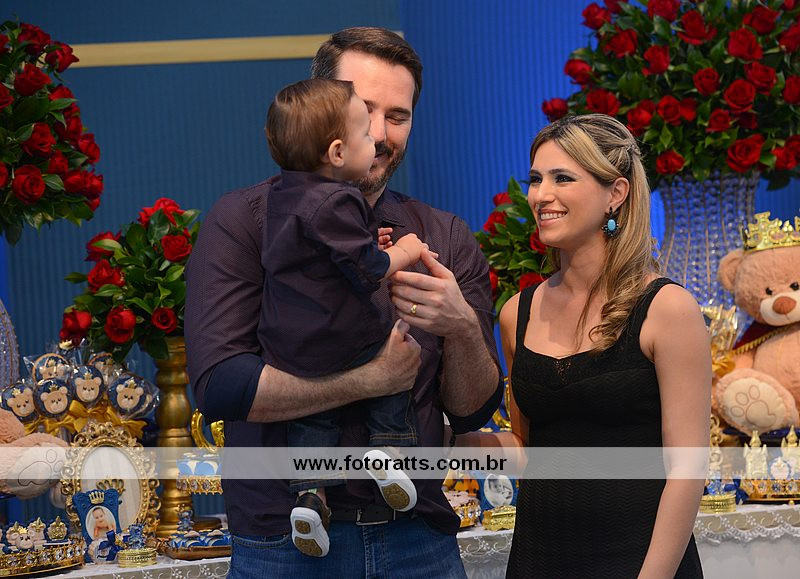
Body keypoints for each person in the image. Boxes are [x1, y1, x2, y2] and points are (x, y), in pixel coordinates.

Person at [185, 27, 503, 578]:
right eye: (364, 110)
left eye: (398, 116)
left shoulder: (444, 236)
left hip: (419, 543)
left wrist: (462, 328)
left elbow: (472, 409)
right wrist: (370, 380)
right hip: (283, 547)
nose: (378, 134)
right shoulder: (246, 221)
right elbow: (222, 386)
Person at [499, 114, 710, 578]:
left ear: (615, 193)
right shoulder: (517, 313)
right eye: (535, 179)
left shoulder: (667, 309)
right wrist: (442, 438)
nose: (541, 195)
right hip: (540, 561)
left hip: (640, 563)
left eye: (562, 178)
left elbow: (687, 471)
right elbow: (527, 447)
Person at [263, 77, 433, 557]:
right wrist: (404, 250)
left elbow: (318, 251)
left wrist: (361, 243)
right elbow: (369, 271)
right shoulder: (339, 198)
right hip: (338, 331)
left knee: (313, 418)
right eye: (364, 134)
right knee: (393, 358)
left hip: (292, 343)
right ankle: (389, 451)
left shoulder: (281, 195)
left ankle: (310, 497)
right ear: (337, 152)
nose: (376, 139)